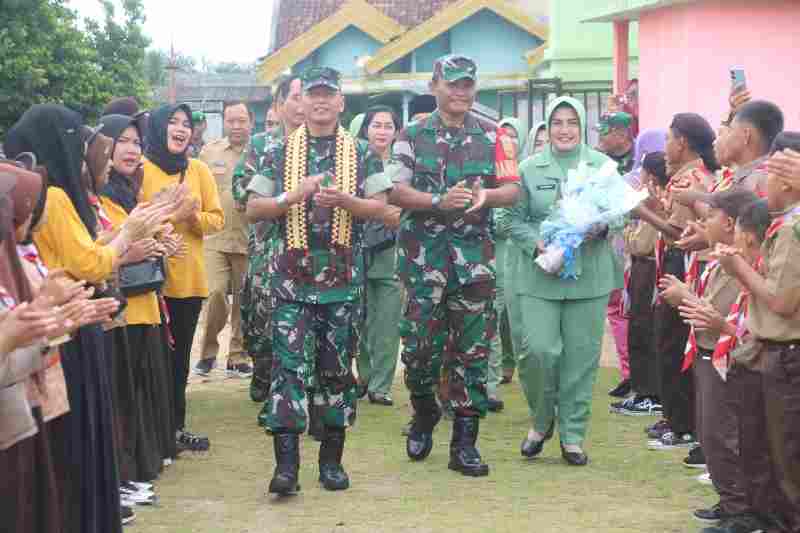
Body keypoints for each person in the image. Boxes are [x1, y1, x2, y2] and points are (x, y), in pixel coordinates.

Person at [6, 104, 151, 533]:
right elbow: (88, 263)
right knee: (72, 443)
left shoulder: (50, 192)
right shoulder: (50, 195)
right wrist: (129, 235)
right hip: (61, 326)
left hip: (65, 318)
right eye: (77, 141)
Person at [245, 67, 391, 495]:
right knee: (287, 370)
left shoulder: (362, 152)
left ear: (342, 102)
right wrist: (293, 195)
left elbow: (382, 207)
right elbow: (254, 208)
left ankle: (331, 462)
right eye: (314, 95)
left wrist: (346, 200)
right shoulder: (277, 150)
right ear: (301, 102)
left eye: (330, 94)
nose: (322, 102)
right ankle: (286, 467)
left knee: (335, 371)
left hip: (342, 282)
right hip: (291, 282)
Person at [388, 54, 521, 477]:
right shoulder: (411, 134)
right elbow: (393, 189)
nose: (461, 91)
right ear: (435, 86)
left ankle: (464, 444)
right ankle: (425, 410)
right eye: (453, 83)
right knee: (419, 351)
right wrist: (436, 202)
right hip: (423, 262)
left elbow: (512, 189)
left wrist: (486, 198)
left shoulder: (494, 134)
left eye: (468, 84)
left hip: (473, 263)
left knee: (473, 355)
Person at [508, 96, 621, 467]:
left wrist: (600, 227)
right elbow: (508, 220)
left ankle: (572, 435)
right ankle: (541, 421)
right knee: (538, 351)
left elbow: (621, 214)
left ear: (583, 127)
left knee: (581, 359)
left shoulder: (601, 166)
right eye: (557, 122)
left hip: (588, 278)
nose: (565, 129)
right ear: (547, 127)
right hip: (540, 275)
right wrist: (537, 243)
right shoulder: (528, 168)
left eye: (572, 122)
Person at [659, 189, 761, 531]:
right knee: (710, 432)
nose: (703, 222)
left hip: (725, 358)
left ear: (730, 223)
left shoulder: (739, 264)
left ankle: (741, 510)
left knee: (724, 435)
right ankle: (729, 501)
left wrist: (684, 297)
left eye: (710, 217)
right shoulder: (721, 259)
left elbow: (723, 316)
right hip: (707, 356)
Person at [714, 137, 800, 533]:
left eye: (770, 178)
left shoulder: (793, 230)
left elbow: (781, 302)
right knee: (765, 453)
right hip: (770, 352)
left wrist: (739, 270)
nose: (761, 189)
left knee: (787, 462)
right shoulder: (783, 226)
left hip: (787, 354)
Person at [98, 114, 183, 484]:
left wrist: (160, 244)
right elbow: (103, 247)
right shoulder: (98, 193)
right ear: (104, 147)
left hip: (144, 305)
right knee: (123, 396)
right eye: (123, 142)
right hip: (120, 310)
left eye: (137, 142)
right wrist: (136, 246)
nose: (132, 150)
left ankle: (138, 468)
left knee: (140, 392)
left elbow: (135, 237)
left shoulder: (127, 189)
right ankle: (126, 475)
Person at [140, 104, 225, 453]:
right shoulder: (141, 171)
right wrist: (169, 218)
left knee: (178, 364)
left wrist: (191, 218)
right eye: (172, 122)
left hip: (187, 282)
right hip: (148, 284)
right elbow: (132, 220)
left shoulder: (199, 170)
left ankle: (175, 428)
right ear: (158, 128)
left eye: (186, 124)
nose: (179, 129)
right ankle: (150, 436)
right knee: (149, 363)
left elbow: (216, 220)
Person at [234, 74, 304, 414]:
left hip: (310, 254)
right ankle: (262, 371)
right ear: (279, 105)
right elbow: (240, 189)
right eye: (296, 97)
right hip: (268, 249)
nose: (304, 104)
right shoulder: (262, 146)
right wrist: (281, 197)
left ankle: (284, 398)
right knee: (260, 325)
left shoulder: (332, 147)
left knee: (297, 326)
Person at [193, 102, 255, 378]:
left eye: (242, 120)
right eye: (231, 120)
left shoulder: (260, 153)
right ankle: (208, 352)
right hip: (214, 238)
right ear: (224, 122)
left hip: (248, 237)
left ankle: (238, 355)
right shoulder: (209, 153)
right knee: (216, 293)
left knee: (244, 299)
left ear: (251, 122)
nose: (237, 126)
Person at [607, 129, 668, 402]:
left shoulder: (656, 200)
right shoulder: (646, 197)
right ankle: (639, 387)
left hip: (649, 267)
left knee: (646, 330)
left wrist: (644, 211)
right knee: (637, 328)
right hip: (639, 267)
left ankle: (649, 392)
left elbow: (642, 242)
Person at [355, 105, 403, 406]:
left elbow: (403, 211)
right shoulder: (354, 162)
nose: (382, 131)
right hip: (356, 251)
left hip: (392, 253)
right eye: (376, 125)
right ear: (365, 129)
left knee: (387, 322)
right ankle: (363, 375)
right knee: (359, 319)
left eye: (388, 126)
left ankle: (381, 385)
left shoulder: (403, 167)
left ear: (396, 132)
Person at [492, 117, 526, 392]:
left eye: (514, 136)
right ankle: (491, 378)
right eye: (505, 136)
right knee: (491, 313)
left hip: (517, 253)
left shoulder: (525, 172)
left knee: (510, 319)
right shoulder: (490, 166)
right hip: (488, 250)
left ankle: (511, 363)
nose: (509, 142)